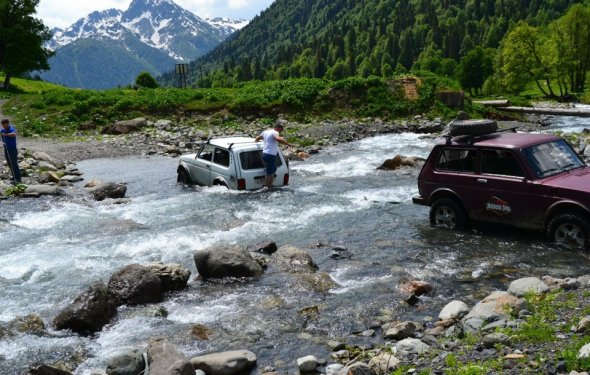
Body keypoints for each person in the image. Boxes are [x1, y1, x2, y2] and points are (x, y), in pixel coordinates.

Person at [255, 123, 293, 188]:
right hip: (270, 154)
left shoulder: (265, 132)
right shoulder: (275, 132)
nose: (280, 132)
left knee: (273, 168)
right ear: (278, 128)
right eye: (280, 131)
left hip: (265, 154)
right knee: (269, 172)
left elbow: (258, 137)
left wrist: (256, 141)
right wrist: (288, 144)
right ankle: (268, 187)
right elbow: (278, 139)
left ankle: (270, 184)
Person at [1, 118, 22, 184]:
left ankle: (18, 179)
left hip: (12, 150)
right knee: (9, 163)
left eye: (5, 125)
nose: (4, 126)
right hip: (6, 150)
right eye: (3, 125)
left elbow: (14, 134)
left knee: (14, 164)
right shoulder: (2, 130)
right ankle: (14, 176)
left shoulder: (11, 129)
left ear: (7, 123)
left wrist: (6, 135)